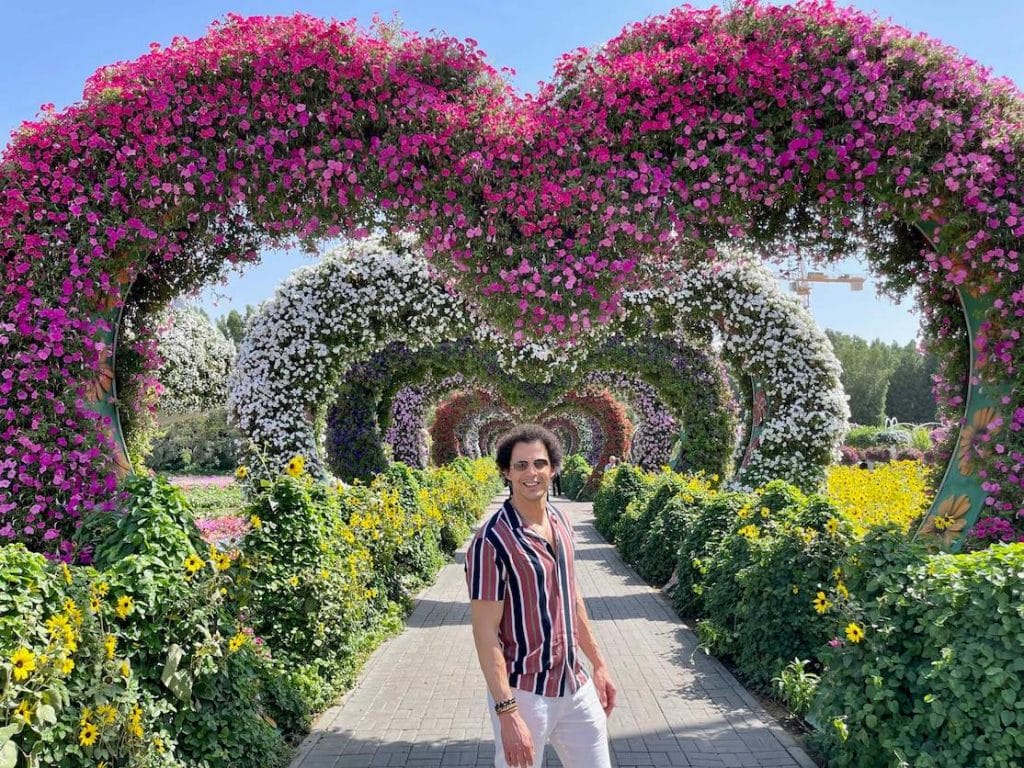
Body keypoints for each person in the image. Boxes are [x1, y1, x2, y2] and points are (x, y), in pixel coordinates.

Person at [466, 424, 616, 768]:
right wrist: (507, 712)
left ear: (552, 468)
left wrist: (599, 663)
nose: (531, 473)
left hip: (574, 685)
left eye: (539, 464)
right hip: (525, 695)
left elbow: (571, 596)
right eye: (520, 466)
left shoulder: (562, 522)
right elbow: (485, 632)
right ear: (506, 472)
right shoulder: (492, 542)